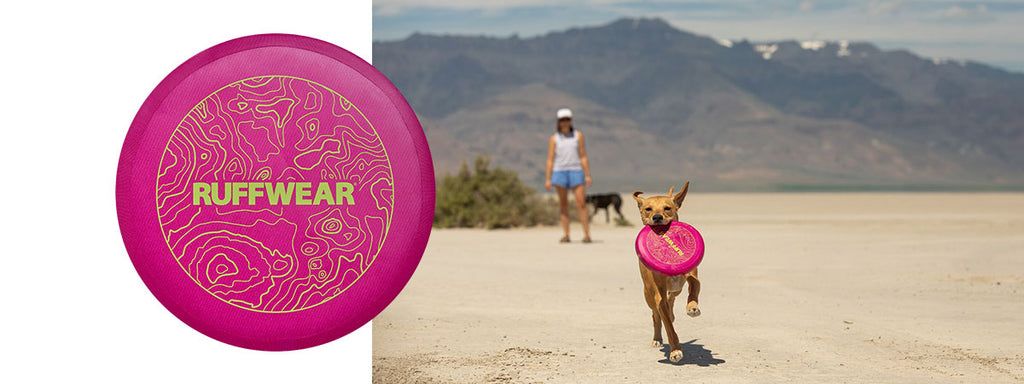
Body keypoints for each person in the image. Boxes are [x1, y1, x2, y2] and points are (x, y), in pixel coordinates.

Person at [545, 108, 593, 243]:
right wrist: (548, 179)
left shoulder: (578, 136)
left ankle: (587, 234)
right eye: (562, 120)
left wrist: (587, 175)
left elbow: (583, 155)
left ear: (570, 121)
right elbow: (550, 159)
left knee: (581, 204)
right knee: (563, 204)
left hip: (576, 171)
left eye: (567, 119)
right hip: (559, 172)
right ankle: (566, 234)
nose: (565, 122)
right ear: (558, 122)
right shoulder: (554, 138)